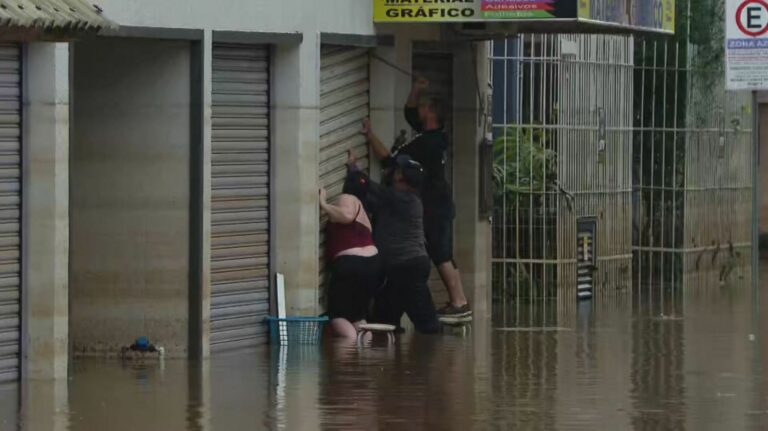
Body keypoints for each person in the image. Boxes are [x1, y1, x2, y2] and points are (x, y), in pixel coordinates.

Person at [362, 75, 471, 319]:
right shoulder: (433, 135)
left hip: (435, 206)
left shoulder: (426, 144)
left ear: (431, 112)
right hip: (440, 204)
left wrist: (370, 136)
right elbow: (410, 113)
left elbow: (390, 159)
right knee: (443, 252)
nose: (417, 108)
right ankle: (459, 301)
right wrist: (416, 89)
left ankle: (459, 302)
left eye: (423, 105)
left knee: (440, 252)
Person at [348, 152, 441, 334]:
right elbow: (370, 201)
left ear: (402, 177)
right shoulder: (396, 199)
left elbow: (367, 186)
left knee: (427, 325)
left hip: (408, 268)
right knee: (384, 318)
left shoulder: (403, 199)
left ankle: (439, 356)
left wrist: (354, 169)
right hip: (398, 268)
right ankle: (393, 360)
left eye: (397, 170)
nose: (392, 171)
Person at [319, 173, 382, 339]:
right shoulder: (365, 214)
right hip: (372, 266)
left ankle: (346, 356)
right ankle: (363, 359)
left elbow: (346, 216)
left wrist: (324, 204)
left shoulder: (348, 198)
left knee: (338, 315)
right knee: (357, 317)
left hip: (351, 265)